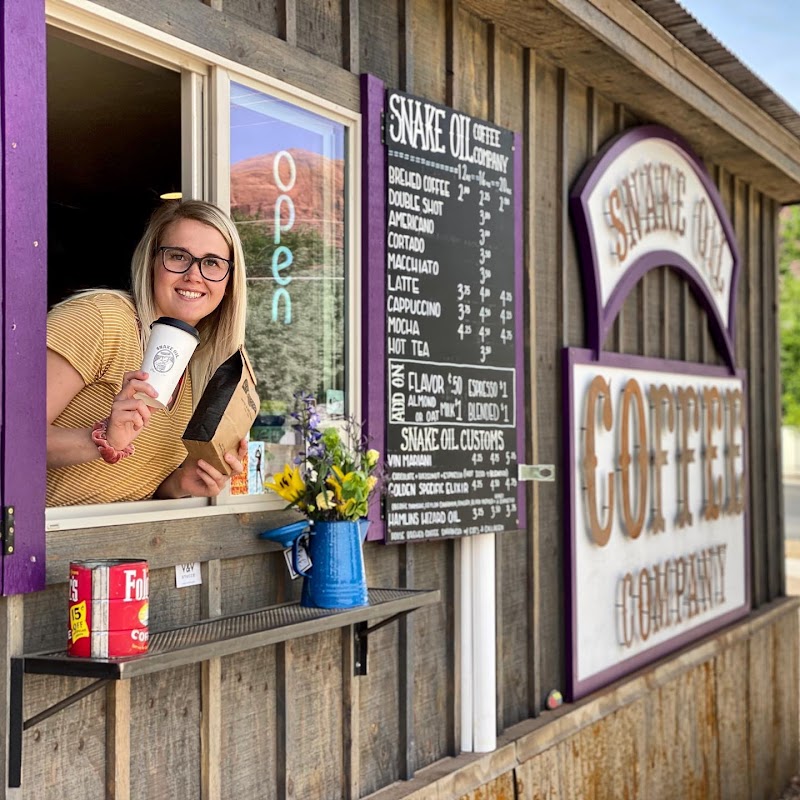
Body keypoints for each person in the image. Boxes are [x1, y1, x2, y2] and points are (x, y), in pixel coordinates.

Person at [46, 199, 248, 506]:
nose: (194, 275)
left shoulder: (203, 365)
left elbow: (130, 487)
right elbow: (10, 438)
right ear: (151, 261)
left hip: (125, 546)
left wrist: (182, 482)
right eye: (178, 256)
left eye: (212, 263)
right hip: (37, 545)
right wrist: (102, 437)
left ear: (230, 280)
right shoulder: (101, 320)